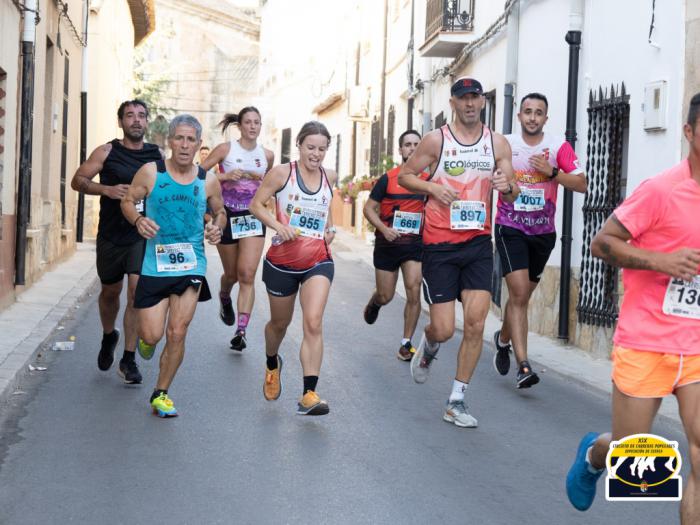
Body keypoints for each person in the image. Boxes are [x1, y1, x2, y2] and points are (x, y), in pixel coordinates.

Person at [566, 95, 700, 523]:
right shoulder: (662, 190)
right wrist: (662, 261)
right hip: (647, 341)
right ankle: (594, 454)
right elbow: (602, 243)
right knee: (631, 452)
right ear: (689, 133)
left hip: (696, 346)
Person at [398, 78, 518, 428]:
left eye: (475, 97)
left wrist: (506, 185)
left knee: (477, 323)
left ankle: (456, 400)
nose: (469, 104)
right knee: (444, 328)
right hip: (439, 244)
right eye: (463, 98)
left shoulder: (496, 142)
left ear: (482, 101)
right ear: (453, 102)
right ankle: (430, 345)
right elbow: (406, 176)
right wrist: (433, 187)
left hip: (478, 243)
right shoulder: (436, 139)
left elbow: (510, 191)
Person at [120, 114, 226, 418]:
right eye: (179, 138)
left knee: (177, 332)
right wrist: (138, 219)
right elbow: (128, 201)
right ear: (169, 141)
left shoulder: (207, 180)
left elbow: (220, 212)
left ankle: (161, 392)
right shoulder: (152, 173)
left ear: (199, 145)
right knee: (152, 335)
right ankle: (145, 339)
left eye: (190, 139)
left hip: (191, 264)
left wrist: (217, 227)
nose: (184, 144)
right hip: (155, 265)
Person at [492, 93, 587, 388]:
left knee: (522, 297)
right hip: (510, 227)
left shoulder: (558, 146)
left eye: (539, 113)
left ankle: (504, 338)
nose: (533, 117)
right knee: (518, 293)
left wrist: (554, 173)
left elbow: (582, 184)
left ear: (546, 118)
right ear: (519, 116)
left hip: (542, 233)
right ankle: (523, 366)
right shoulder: (505, 144)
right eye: (528, 112)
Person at [70, 99, 162, 384]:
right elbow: (78, 180)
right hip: (111, 234)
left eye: (141, 116)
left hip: (140, 233)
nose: (136, 120)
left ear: (147, 122)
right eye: (130, 115)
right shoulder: (106, 151)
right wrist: (106, 189)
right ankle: (109, 335)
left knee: (135, 293)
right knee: (110, 293)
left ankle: (128, 358)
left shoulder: (155, 155)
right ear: (120, 121)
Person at [249, 121, 337, 416]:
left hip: (317, 260)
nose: (316, 154)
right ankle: (272, 361)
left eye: (322, 149)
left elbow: (325, 212)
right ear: (299, 145)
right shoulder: (282, 174)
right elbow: (256, 205)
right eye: (310, 147)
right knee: (279, 324)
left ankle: (309, 393)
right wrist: (277, 225)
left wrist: (330, 229)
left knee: (313, 322)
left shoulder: (330, 176)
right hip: (282, 262)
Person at [199, 108, 274, 352]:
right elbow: (200, 175)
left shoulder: (267, 155)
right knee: (231, 274)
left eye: (257, 122)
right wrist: (226, 176)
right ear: (239, 126)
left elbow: (269, 183)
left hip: (253, 216)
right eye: (248, 122)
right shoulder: (225, 149)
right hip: (226, 214)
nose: (252, 126)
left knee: (247, 274)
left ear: (260, 126)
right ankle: (224, 294)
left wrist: (257, 179)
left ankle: (241, 331)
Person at [362, 129, 427, 361]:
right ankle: (376, 300)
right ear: (400, 150)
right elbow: (368, 208)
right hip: (388, 244)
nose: (411, 148)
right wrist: (383, 229)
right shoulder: (388, 178)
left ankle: (406, 342)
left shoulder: (428, 180)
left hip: (415, 244)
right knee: (386, 295)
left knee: (414, 289)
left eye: (416, 144)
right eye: (407, 144)